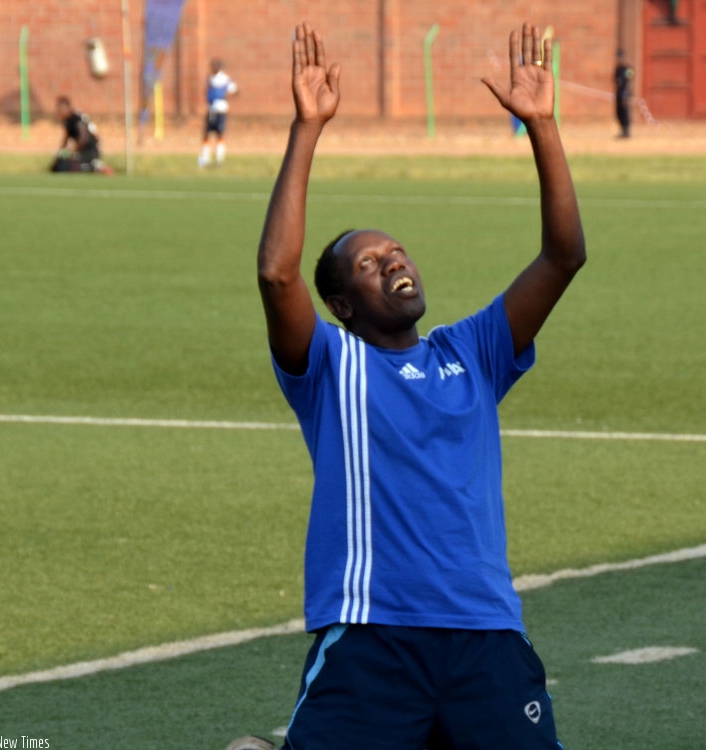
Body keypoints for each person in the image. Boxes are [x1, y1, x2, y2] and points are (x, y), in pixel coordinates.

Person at [256, 20, 584, 750]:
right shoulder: (329, 367)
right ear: (340, 305)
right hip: (376, 638)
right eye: (370, 263)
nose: (393, 261)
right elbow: (277, 274)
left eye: (396, 251)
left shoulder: (473, 351)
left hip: (485, 636)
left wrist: (542, 126)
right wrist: (307, 128)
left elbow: (564, 257)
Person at [51, 96, 112, 173]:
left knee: (68, 166)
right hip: (80, 150)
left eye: (60, 110)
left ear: (66, 108)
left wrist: (73, 151)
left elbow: (83, 138)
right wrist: (61, 152)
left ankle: (95, 167)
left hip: (89, 151)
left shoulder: (76, 119)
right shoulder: (67, 121)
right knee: (58, 166)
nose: (58, 112)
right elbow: (66, 138)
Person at [198, 57, 238, 167]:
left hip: (221, 109)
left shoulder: (224, 79)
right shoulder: (210, 78)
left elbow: (234, 90)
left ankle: (219, 159)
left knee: (220, 133)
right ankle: (205, 158)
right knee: (207, 133)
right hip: (211, 109)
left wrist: (224, 95)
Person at [614, 48, 634, 138]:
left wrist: (627, 93)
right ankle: (622, 130)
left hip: (625, 93)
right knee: (619, 112)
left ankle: (626, 131)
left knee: (625, 112)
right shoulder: (618, 69)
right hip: (619, 93)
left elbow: (630, 80)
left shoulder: (628, 69)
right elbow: (615, 81)